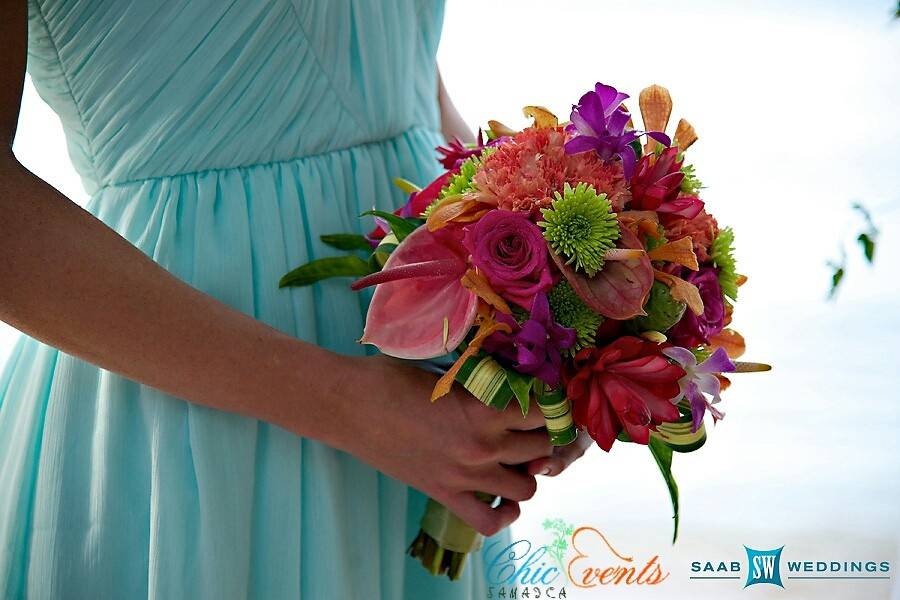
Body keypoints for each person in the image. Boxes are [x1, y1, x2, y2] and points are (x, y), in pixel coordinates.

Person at [0, 1, 591, 598]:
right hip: (198, 402)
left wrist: (545, 301)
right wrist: (351, 406)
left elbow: (405, 89)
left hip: (437, 388)